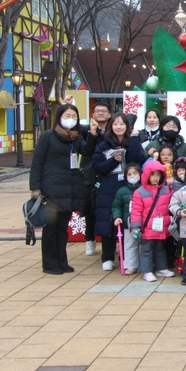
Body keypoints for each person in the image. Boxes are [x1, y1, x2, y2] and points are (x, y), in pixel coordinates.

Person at [30, 104, 89, 274]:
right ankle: (49, 263)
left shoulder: (76, 138)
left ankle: (62, 261)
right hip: (50, 189)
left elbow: (87, 151)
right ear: (59, 117)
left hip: (69, 188)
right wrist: (35, 187)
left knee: (63, 227)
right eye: (67, 115)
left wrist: (92, 134)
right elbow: (37, 163)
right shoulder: (48, 136)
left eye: (74, 116)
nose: (70, 119)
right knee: (51, 227)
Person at [93, 113, 145, 271]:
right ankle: (107, 256)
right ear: (111, 126)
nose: (118, 127)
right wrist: (113, 160)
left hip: (128, 186)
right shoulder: (103, 145)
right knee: (108, 220)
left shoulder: (132, 141)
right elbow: (98, 167)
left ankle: (126, 256)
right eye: (115, 124)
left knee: (127, 220)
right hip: (108, 187)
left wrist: (135, 139)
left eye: (122, 124)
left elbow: (139, 159)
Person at [130, 160, 174, 282]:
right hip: (146, 227)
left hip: (161, 227)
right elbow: (136, 211)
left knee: (160, 248)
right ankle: (147, 271)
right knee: (146, 250)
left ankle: (162, 268)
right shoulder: (139, 192)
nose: (155, 178)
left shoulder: (166, 190)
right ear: (147, 175)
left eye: (158, 175)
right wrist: (136, 226)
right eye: (152, 175)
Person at [80, 101, 112, 256]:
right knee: (90, 211)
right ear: (93, 114)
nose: (101, 113)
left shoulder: (112, 131)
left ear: (109, 114)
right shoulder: (85, 130)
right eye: (97, 111)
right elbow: (86, 150)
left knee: (107, 211)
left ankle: (110, 244)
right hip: (89, 175)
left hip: (107, 174)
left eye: (104, 111)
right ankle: (89, 240)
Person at [112, 164, 143, 275]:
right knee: (129, 244)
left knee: (143, 244)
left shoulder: (144, 189)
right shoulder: (122, 191)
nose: (132, 176)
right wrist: (117, 217)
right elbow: (117, 206)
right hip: (128, 223)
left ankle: (143, 264)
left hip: (142, 223)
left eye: (135, 173)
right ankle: (131, 265)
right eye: (129, 174)